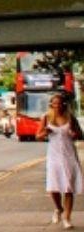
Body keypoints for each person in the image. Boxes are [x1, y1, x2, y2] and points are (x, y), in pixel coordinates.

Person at [39, 92, 84, 228]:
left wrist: (74, 134)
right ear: (51, 104)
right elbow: (38, 135)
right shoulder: (46, 118)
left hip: (69, 155)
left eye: (59, 103)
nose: (57, 106)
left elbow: (80, 134)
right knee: (54, 188)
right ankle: (58, 208)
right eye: (54, 103)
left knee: (68, 187)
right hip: (54, 156)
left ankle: (67, 218)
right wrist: (45, 132)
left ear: (64, 104)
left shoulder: (70, 117)